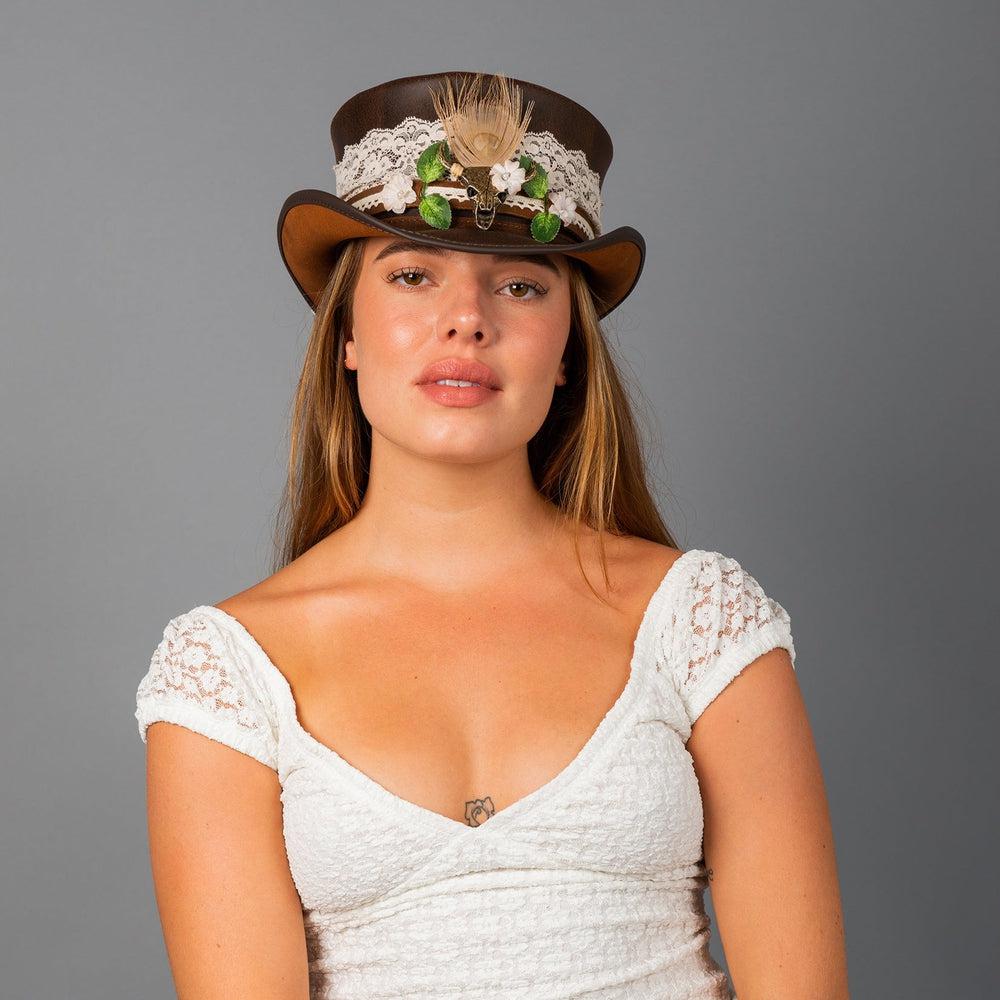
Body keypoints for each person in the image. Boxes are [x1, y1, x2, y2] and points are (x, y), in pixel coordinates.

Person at [135, 70, 849, 999]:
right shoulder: (226, 671)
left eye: (519, 283)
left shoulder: (700, 619)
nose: (467, 319)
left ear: (567, 352)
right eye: (412, 276)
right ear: (345, 333)